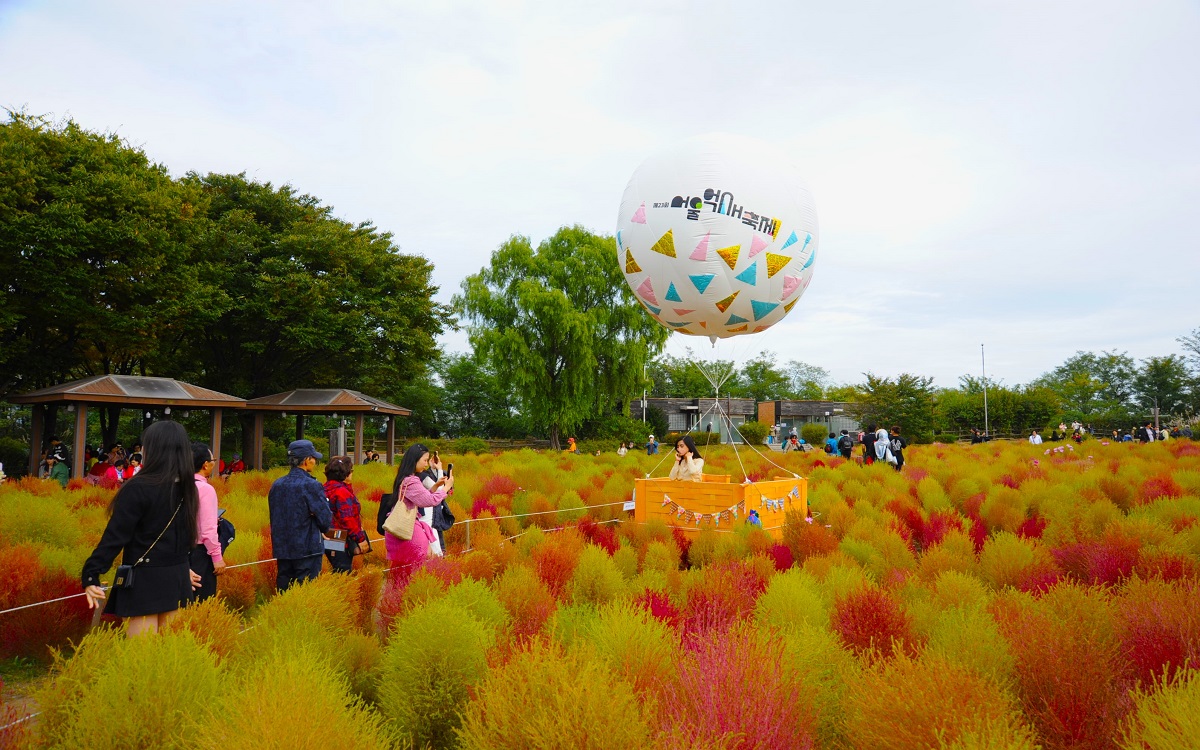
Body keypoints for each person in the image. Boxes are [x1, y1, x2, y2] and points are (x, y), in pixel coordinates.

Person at [81, 421, 202, 636]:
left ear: (153, 449)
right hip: (176, 576)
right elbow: (186, 535)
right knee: (170, 656)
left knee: (142, 659)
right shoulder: (187, 487)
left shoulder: (138, 487)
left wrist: (91, 574)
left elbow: (116, 536)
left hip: (144, 578)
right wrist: (185, 566)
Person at [379, 443, 453, 583]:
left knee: (402, 575)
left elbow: (420, 496)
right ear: (415, 459)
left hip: (403, 530)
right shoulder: (411, 481)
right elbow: (428, 501)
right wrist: (445, 488)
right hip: (409, 532)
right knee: (413, 574)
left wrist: (436, 486)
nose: (426, 464)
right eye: (424, 460)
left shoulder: (405, 478)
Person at [267, 439, 333, 592]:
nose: (315, 462)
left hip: (283, 548)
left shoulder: (277, 485)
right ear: (306, 460)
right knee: (306, 593)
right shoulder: (311, 485)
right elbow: (325, 520)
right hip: (307, 549)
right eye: (313, 458)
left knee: (284, 592)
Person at [189, 443, 225, 602]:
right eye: (213, 459)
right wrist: (217, 558)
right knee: (202, 601)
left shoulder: (179, 485)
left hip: (179, 553)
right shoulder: (205, 489)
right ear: (205, 464)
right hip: (200, 553)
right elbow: (208, 530)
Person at [323, 456, 368, 573]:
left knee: (337, 566)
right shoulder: (341, 492)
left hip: (329, 534)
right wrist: (360, 538)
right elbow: (348, 519)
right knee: (343, 570)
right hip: (340, 536)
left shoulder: (324, 488)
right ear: (346, 473)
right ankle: (342, 590)